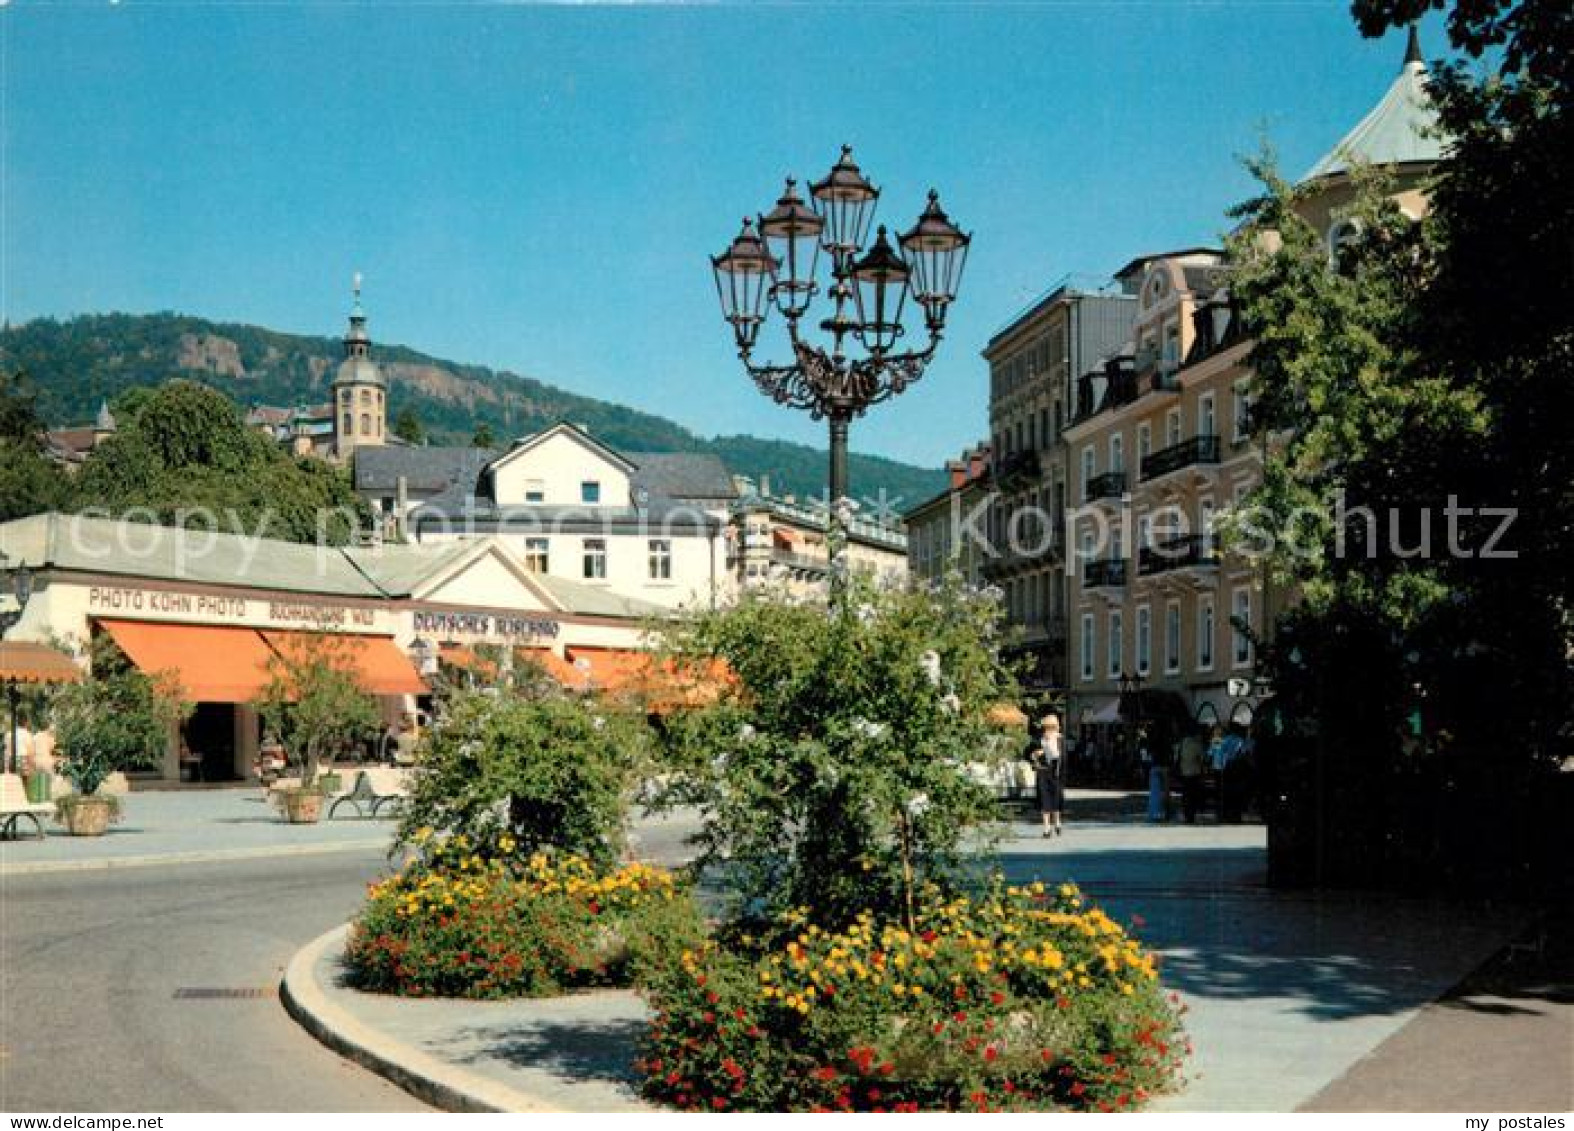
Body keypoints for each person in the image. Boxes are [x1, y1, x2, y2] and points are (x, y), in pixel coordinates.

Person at [1032, 714, 1065, 837]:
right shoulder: (1039, 739)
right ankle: (1046, 828)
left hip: (1055, 772)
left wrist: (1046, 747)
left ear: (1056, 727)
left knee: (1056, 798)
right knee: (1044, 799)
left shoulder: (1059, 739)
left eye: (1051, 727)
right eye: (1046, 727)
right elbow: (1031, 753)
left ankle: (1057, 822)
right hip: (1043, 771)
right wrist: (1036, 754)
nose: (1048, 730)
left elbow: (1057, 755)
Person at [1176, 726, 1207, 824]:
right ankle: (1191, 815)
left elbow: (1176, 758)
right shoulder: (1197, 745)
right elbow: (1203, 759)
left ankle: (1186, 814)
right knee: (1193, 795)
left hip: (1184, 773)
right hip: (1195, 773)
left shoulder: (1180, 744)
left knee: (1185, 795)